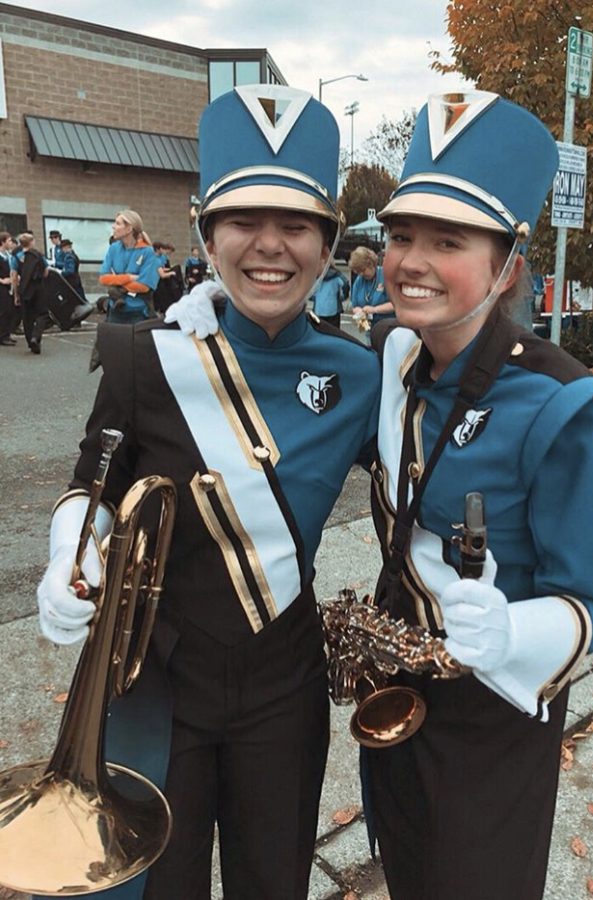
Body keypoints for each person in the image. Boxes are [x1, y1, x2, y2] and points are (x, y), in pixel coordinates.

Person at [35, 83, 380, 900]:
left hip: (283, 687)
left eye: (296, 224)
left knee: (273, 880)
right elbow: (94, 478)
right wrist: (65, 559)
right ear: (206, 233)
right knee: (161, 884)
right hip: (157, 682)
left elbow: (424, 486)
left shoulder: (360, 373)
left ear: (327, 243)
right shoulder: (144, 355)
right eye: (242, 222)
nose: (269, 246)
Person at [360, 90, 593, 900]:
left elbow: (590, 608)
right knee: (405, 866)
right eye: (400, 235)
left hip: (493, 712)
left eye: (447, 241)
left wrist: (512, 628)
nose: (410, 261)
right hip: (397, 685)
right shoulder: (398, 357)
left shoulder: (563, 405)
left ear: (508, 263)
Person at [99, 211, 159, 324]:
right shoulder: (113, 248)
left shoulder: (148, 252)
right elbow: (103, 278)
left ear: (129, 229)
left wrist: (116, 282)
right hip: (114, 311)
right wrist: (129, 278)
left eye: (117, 223)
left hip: (138, 313)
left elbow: (144, 286)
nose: (113, 226)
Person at [11, 232, 50, 354]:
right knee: (42, 314)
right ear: (31, 242)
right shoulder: (38, 255)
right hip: (38, 288)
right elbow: (46, 272)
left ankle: (31, 342)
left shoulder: (16, 256)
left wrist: (16, 294)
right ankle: (36, 336)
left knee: (27, 317)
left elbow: (14, 276)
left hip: (24, 289)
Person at [349, 246, 393, 329]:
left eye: (363, 270)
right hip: (369, 327)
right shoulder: (359, 280)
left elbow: (395, 305)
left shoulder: (386, 276)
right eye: (358, 271)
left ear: (371, 264)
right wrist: (359, 311)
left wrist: (375, 309)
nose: (361, 274)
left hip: (388, 326)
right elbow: (354, 306)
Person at [310, 262, 349, 328]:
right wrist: (344, 296)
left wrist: (313, 298)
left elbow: (308, 289)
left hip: (318, 309)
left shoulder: (315, 275)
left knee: (319, 331)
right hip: (334, 309)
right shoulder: (336, 275)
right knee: (334, 331)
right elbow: (345, 284)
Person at [0, 231, 16, 346]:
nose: (11, 243)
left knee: (10, 311)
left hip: (10, 286)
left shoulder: (9, 256)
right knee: (3, 311)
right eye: (9, 240)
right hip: (1, 287)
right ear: (2, 242)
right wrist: (1, 280)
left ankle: (7, 334)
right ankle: (2, 336)